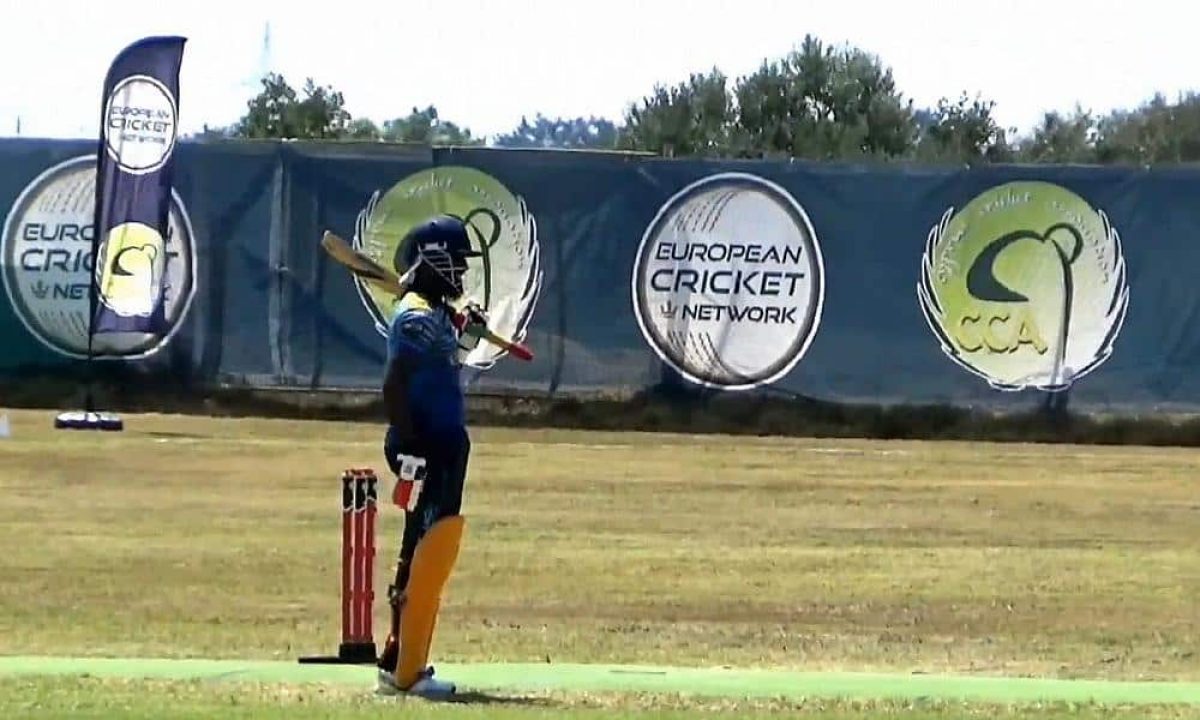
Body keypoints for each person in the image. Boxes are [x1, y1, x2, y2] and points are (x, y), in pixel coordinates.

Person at [374, 215, 487, 699]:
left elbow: (446, 366)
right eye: (457, 263)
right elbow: (394, 385)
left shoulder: (431, 313)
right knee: (424, 550)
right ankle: (406, 670)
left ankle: (400, 661)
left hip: (442, 443)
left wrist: (467, 334)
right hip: (427, 446)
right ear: (434, 260)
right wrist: (411, 443)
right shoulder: (415, 317)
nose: (463, 273)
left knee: (428, 548)